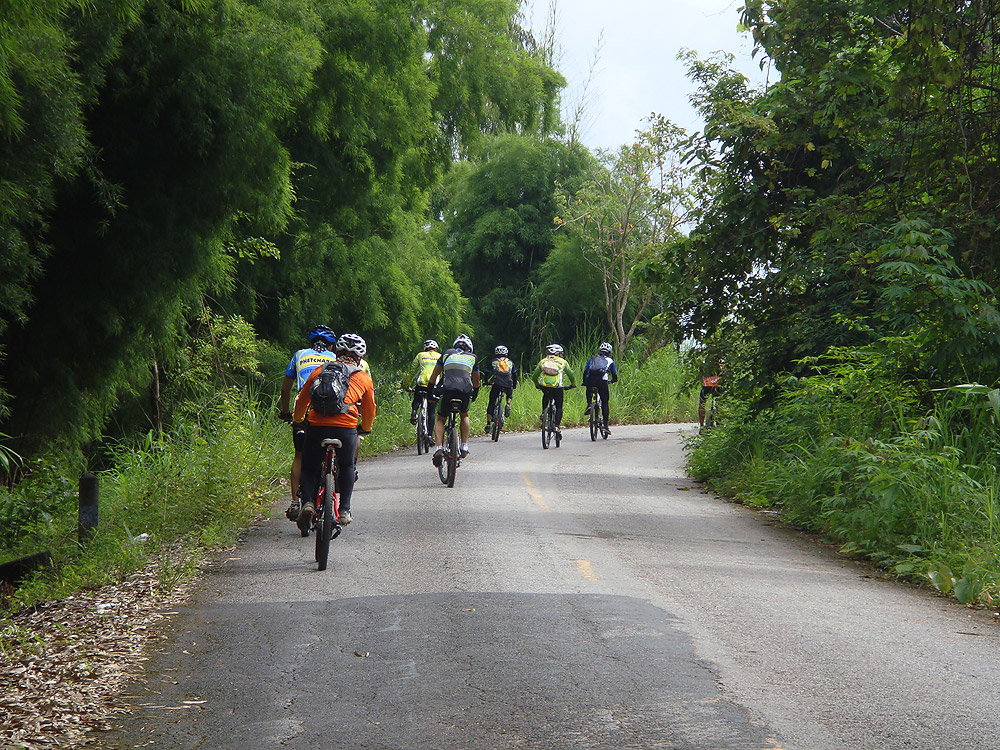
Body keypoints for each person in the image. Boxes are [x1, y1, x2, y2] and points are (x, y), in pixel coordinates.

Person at [292, 333, 376, 528]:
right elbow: (370, 409)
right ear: (360, 357)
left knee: (309, 467)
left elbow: (303, 399)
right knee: (347, 465)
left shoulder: (320, 371)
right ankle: (344, 510)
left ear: (337, 353)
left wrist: (298, 420)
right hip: (346, 428)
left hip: (317, 426)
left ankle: (308, 503)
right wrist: (365, 427)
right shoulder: (363, 377)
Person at [279, 325, 338, 521]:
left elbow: (286, 388)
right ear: (331, 346)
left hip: (303, 410)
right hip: (329, 411)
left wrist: (285, 412)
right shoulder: (335, 358)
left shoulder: (299, 355)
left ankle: (295, 502)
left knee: (299, 455)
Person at [430, 334, 480, 464]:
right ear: (469, 348)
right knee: (464, 415)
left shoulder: (446, 353)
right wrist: (474, 395)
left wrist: (430, 391)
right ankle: (464, 445)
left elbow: (434, 376)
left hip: (447, 390)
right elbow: (476, 382)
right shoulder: (473, 357)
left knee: (441, 419)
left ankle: (439, 448)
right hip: (464, 391)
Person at [531, 343, 578, 437]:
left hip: (545, 386)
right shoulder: (563, 362)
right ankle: (556, 426)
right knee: (559, 406)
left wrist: (537, 385)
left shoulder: (543, 361)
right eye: (561, 353)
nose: (562, 355)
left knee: (546, 395)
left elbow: (534, 376)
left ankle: (544, 411)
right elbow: (571, 375)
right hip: (557, 387)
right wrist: (573, 384)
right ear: (558, 353)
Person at [408, 339, 441, 439]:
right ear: (435, 348)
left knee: (417, 398)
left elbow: (412, 371)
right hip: (434, 384)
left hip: (422, 382)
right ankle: (430, 435)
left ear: (425, 348)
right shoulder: (440, 356)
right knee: (431, 411)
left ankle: (414, 411)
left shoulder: (420, 355)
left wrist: (407, 385)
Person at [583, 341, 618, 434]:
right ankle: (606, 426)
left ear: (599, 351)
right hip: (602, 381)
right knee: (605, 403)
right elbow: (614, 374)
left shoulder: (593, 358)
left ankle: (589, 404)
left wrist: (584, 382)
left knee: (588, 389)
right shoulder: (610, 361)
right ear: (609, 353)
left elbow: (586, 371)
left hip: (590, 380)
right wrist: (613, 380)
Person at [484, 345, 517, 432]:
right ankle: (508, 404)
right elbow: (514, 374)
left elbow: (486, 373)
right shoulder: (510, 362)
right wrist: (514, 385)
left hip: (497, 384)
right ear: (506, 353)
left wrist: (486, 382)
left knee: (492, 402)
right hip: (508, 384)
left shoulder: (493, 361)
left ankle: (488, 423)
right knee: (509, 394)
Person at [698, 357, 723, 430]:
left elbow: (701, 375)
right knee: (720, 403)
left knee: (702, 403)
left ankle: (701, 425)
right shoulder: (721, 361)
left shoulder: (705, 362)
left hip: (706, 385)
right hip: (718, 384)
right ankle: (720, 423)